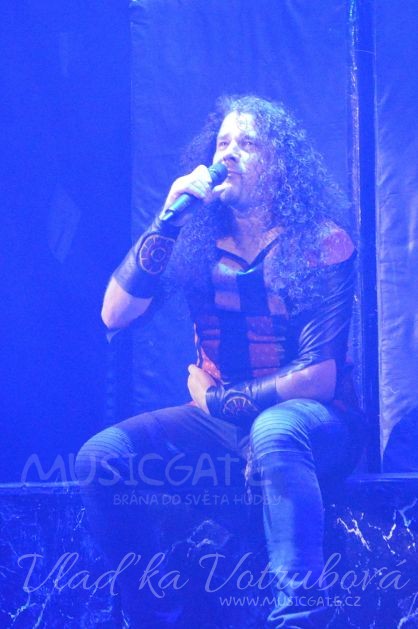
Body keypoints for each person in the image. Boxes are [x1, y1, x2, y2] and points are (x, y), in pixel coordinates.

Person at [76, 95, 364, 627]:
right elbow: (114, 315)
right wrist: (165, 220)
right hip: (220, 428)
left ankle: (300, 615)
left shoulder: (323, 241)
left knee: (275, 429)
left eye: (248, 143)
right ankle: (154, 615)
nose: (229, 153)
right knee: (101, 457)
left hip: (314, 424)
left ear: (280, 165)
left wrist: (216, 399)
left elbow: (320, 377)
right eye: (223, 142)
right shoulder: (195, 239)